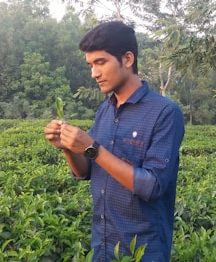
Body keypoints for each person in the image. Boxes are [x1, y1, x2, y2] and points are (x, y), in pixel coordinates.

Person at [44, 21, 185, 261]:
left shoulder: (165, 113)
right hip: (103, 244)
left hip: (142, 251)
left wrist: (92, 148)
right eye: (90, 65)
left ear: (127, 59)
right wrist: (69, 148)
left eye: (101, 62)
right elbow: (86, 171)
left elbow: (151, 186)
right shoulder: (105, 111)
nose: (94, 73)